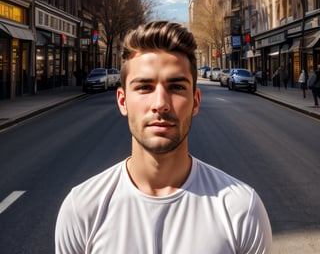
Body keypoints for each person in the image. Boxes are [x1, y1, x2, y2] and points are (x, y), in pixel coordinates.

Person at [55, 20, 272, 253]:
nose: (160, 104)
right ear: (122, 101)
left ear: (195, 101)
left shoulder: (241, 208)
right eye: (144, 87)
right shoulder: (82, 208)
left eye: (176, 87)